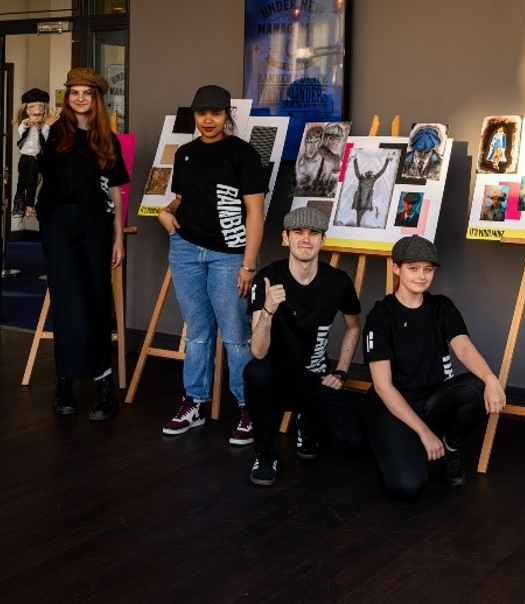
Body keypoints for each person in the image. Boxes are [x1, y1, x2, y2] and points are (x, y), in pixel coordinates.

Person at [158, 84, 267, 444]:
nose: (208, 120)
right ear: (194, 115)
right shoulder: (185, 154)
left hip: (229, 255)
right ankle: (194, 403)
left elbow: (255, 213)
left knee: (236, 336)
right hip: (186, 250)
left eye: (216, 113)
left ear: (227, 116)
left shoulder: (243, 154)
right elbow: (182, 198)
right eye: (201, 113)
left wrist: (248, 264)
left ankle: (248, 408)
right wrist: (166, 212)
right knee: (197, 332)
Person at [363, 235, 506, 498]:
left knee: (477, 387)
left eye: (427, 269)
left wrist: (491, 379)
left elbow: (463, 347)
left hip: (432, 400)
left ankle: (450, 448)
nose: (421, 276)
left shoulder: (442, 306)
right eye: (413, 268)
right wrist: (424, 432)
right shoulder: (381, 317)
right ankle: (408, 442)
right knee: (408, 486)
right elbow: (383, 388)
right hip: (394, 407)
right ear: (397, 268)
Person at [244, 207, 363, 486]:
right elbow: (258, 352)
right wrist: (269, 310)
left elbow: (354, 326)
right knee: (255, 372)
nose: (305, 240)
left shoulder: (338, 282)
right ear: (286, 237)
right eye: (298, 233)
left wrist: (342, 371)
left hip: (314, 377)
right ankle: (265, 454)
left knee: (352, 441)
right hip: (276, 379)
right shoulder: (268, 277)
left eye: (313, 234)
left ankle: (307, 423)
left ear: (323, 240)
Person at [37, 68, 129, 420]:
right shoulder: (53, 133)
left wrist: (119, 236)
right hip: (58, 223)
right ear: (67, 96)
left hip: (96, 225)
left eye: (86, 93)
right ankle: (65, 384)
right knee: (68, 301)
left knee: (97, 299)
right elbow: (38, 169)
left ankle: (104, 386)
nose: (79, 98)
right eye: (73, 92)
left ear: (96, 98)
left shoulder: (108, 140)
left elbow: (115, 192)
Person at [12, 88, 58, 217]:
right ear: (27, 110)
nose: (37, 110)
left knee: (32, 182)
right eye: (32, 107)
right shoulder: (24, 124)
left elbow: (45, 139)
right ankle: (18, 205)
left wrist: (46, 125)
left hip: (35, 159)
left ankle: (29, 206)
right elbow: (22, 129)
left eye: (41, 107)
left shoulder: (45, 128)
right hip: (25, 157)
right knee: (21, 182)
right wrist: (27, 124)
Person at [349, 152, 392, 226]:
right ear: (371, 175)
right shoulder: (373, 179)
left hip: (358, 201)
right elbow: (382, 171)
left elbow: (356, 170)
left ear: (366, 174)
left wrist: (355, 160)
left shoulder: (361, 178)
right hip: (367, 202)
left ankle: (358, 225)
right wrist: (387, 160)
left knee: (358, 217)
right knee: (363, 218)